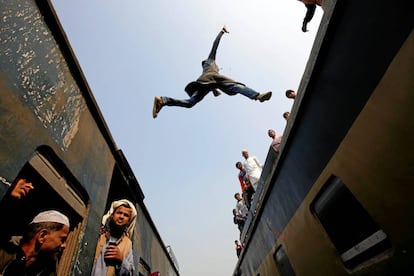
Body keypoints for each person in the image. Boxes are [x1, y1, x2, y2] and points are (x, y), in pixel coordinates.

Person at [152, 26, 272, 118]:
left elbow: (211, 84)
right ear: (206, 62)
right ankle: (258, 96)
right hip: (212, 79)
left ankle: (163, 100)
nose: (217, 66)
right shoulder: (210, 61)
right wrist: (222, 32)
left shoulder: (207, 72)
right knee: (236, 86)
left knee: (190, 103)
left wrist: (215, 91)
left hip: (205, 83)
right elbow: (215, 46)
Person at [0, 210, 70, 276]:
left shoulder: (46, 270)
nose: (64, 245)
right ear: (42, 236)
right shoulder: (4, 251)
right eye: (62, 239)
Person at [92, 199, 137, 276]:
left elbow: (130, 272)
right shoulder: (99, 232)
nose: (121, 217)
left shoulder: (127, 244)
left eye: (126, 215)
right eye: (119, 213)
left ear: (128, 221)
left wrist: (121, 259)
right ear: (112, 215)